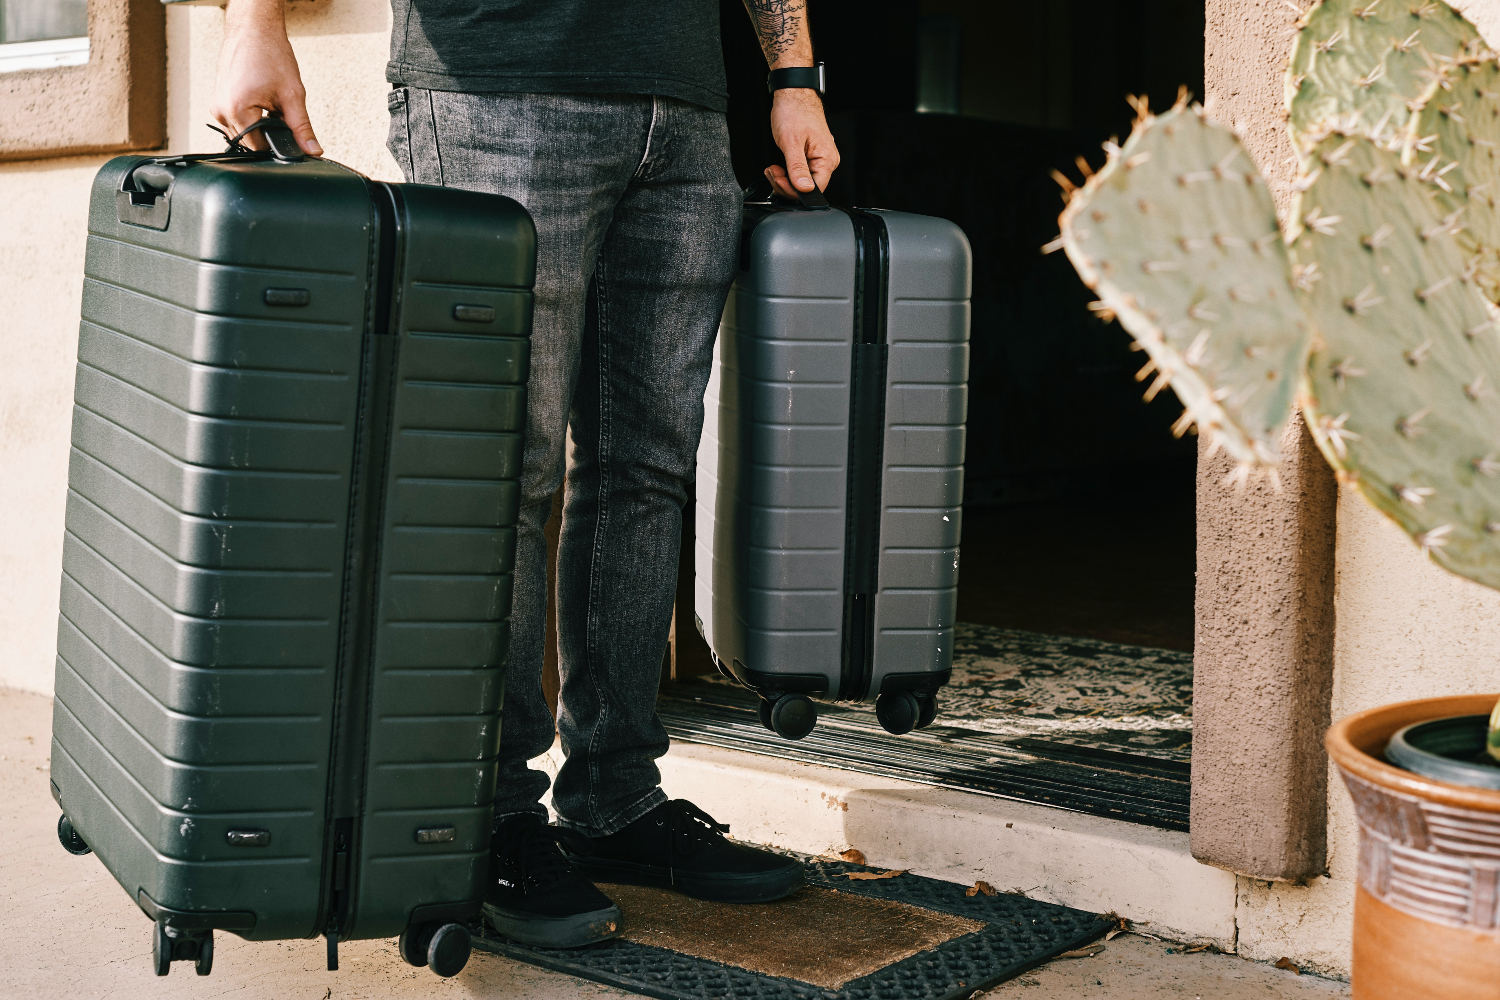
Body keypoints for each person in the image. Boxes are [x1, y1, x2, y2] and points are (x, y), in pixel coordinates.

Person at [211, 0, 840, 950]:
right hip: (493, 96)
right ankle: (485, 818)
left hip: (684, 113)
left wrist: (792, 80)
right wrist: (252, 26)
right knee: (503, 478)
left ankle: (615, 797)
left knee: (648, 471)